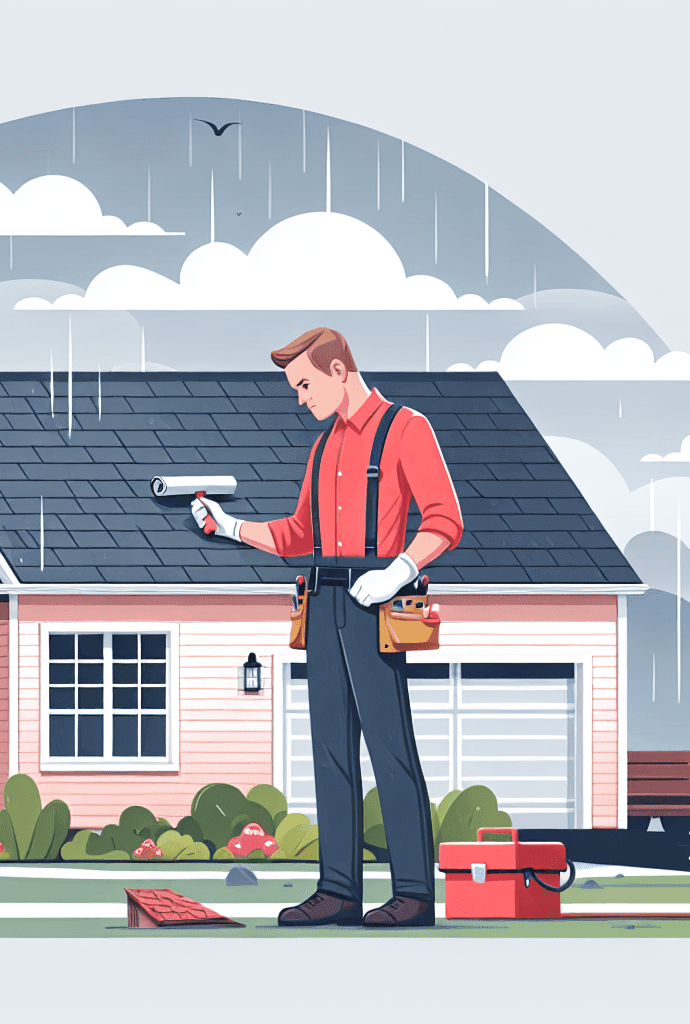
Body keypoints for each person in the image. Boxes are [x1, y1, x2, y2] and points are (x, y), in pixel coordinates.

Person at [192, 327, 464, 927]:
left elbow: (445, 517)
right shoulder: (323, 450)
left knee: (390, 747)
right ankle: (338, 889)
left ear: (340, 370)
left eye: (306, 385)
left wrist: (399, 569)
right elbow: (298, 535)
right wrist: (231, 526)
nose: (300, 400)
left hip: (376, 600)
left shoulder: (406, 429)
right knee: (329, 749)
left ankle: (414, 893)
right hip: (322, 600)